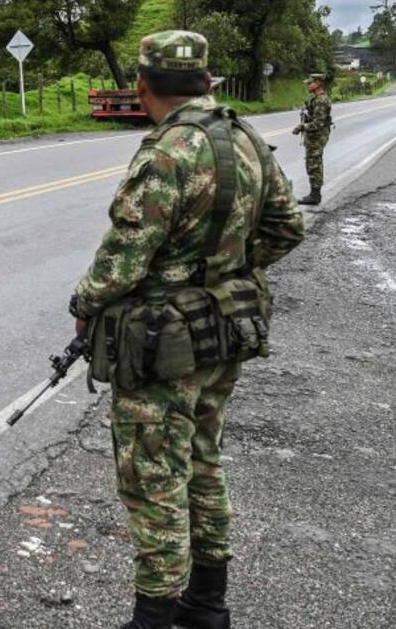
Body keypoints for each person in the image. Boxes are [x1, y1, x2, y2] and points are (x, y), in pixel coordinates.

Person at [67, 31, 305, 629]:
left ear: (142, 85)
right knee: (203, 459)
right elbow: (286, 226)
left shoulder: (169, 153)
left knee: (152, 475)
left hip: (163, 345)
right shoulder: (245, 138)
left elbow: (122, 259)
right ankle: (206, 606)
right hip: (226, 329)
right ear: (206, 81)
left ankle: (154, 616)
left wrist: (85, 303)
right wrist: (224, 272)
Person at [293, 73, 332, 205]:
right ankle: (314, 194)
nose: (308, 85)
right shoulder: (316, 99)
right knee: (313, 164)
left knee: (314, 165)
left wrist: (302, 126)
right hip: (314, 137)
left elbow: (318, 124)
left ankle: (315, 196)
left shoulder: (321, 101)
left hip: (317, 137)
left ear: (319, 83)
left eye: (311, 83)